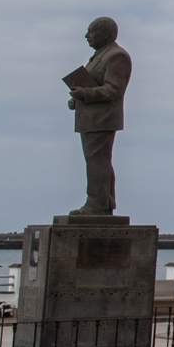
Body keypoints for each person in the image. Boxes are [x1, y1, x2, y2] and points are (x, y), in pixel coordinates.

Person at [67, 16, 132, 216]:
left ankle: (96, 204)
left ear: (105, 33)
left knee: (98, 161)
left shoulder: (116, 56)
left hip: (102, 119)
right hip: (91, 118)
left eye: (91, 32)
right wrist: (77, 98)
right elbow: (94, 84)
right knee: (97, 161)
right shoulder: (99, 56)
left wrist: (85, 94)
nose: (87, 36)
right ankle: (104, 202)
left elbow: (114, 90)